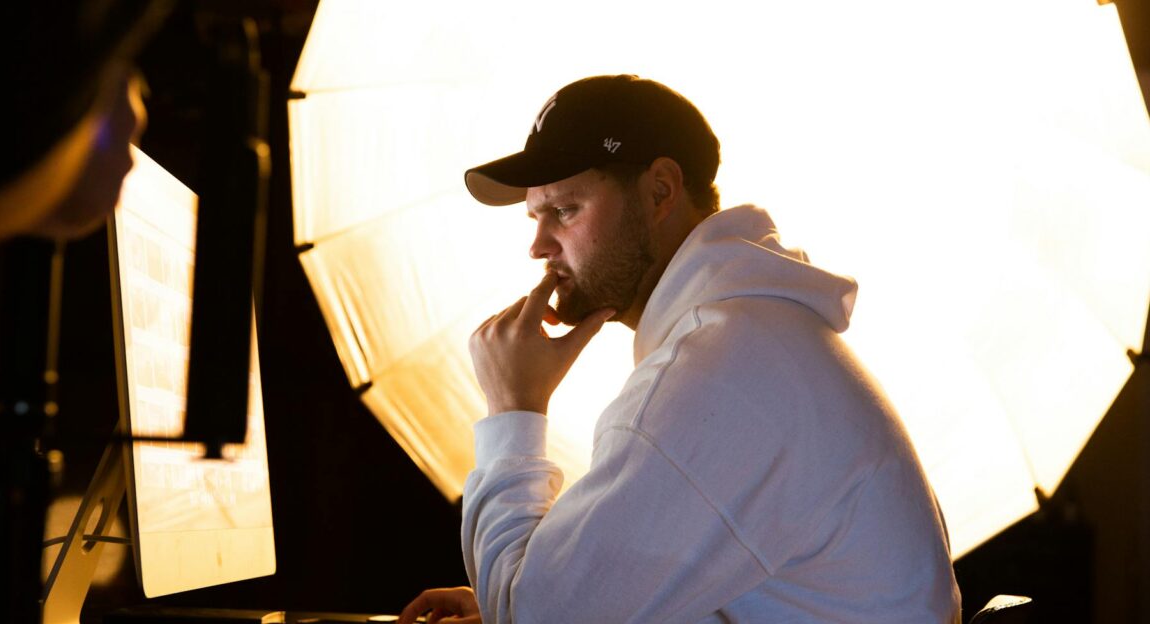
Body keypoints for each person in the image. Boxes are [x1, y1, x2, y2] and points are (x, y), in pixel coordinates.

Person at [401, 74, 961, 623]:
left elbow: (533, 618)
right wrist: (541, 589)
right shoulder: (750, 336)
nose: (538, 246)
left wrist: (513, 408)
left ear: (660, 191)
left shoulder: (719, 370)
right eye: (535, 216)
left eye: (564, 211)